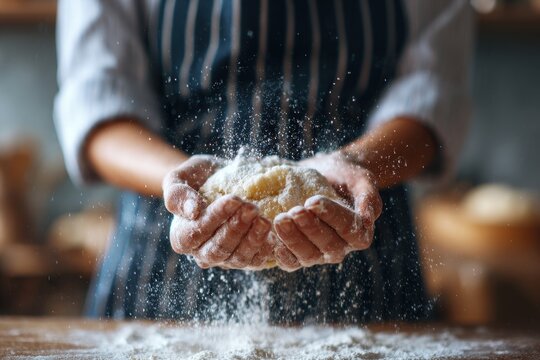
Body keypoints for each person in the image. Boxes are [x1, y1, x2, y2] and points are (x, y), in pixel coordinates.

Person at [55, 0, 472, 323]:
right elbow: (97, 102)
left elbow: (433, 93)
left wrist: (355, 163)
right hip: (164, 273)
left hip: (362, 259)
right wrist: (179, 183)